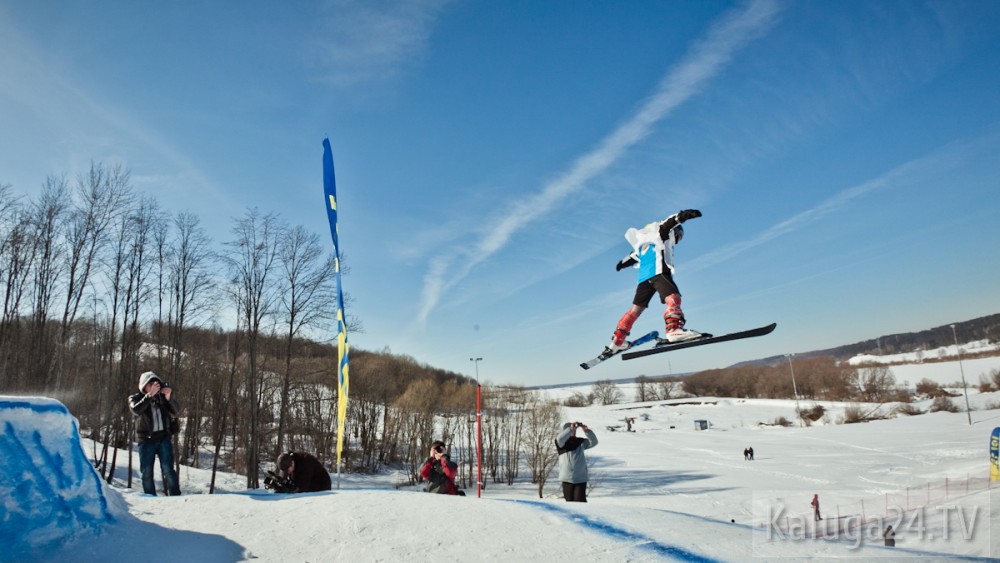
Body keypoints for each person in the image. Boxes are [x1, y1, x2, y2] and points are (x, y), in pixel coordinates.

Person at [605, 209, 704, 355]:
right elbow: (668, 224)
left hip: (643, 279)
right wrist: (683, 216)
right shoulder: (663, 234)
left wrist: (621, 264)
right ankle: (673, 330)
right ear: (676, 233)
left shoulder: (643, 245)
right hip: (658, 272)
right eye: (679, 236)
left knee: (634, 311)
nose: (678, 240)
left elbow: (631, 257)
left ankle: (617, 341)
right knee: (673, 297)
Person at [128, 371, 181, 496]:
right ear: (144, 386)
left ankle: (176, 496)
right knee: (146, 472)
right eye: (150, 383)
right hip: (146, 440)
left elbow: (176, 410)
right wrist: (149, 396)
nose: (153, 386)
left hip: (163, 438)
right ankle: (150, 498)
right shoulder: (135, 398)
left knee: (168, 469)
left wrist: (168, 397)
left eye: (155, 383)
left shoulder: (162, 398)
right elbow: (136, 410)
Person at [556, 422, 598, 502]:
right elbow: (560, 438)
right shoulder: (561, 444)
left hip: (580, 478)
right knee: (569, 503)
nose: (573, 432)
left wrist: (587, 431)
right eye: (571, 430)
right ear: (566, 431)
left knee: (580, 502)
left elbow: (594, 442)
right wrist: (571, 428)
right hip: (566, 479)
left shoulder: (580, 442)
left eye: (575, 430)